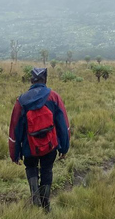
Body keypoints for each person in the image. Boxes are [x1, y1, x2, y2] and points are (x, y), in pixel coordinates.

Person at [9, 68, 70, 212]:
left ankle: (35, 200)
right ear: (45, 80)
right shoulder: (54, 97)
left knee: (31, 168)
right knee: (47, 170)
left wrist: (15, 154)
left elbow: (15, 129)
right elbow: (63, 124)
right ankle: (45, 204)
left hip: (29, 147)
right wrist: (64, 148)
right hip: (50, 146)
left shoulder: (21, 101)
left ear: (31, 80)